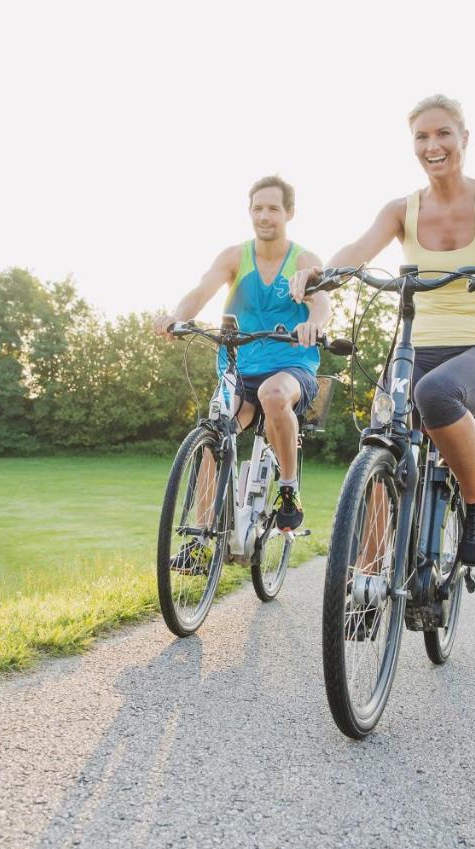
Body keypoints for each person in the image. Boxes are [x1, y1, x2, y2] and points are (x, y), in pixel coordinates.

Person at [291, 94, 475, 566]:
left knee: (434, 393)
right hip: (414, 349)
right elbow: (359, 248)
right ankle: (366, 581)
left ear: (464, 139)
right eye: (422, 136)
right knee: (379, 438)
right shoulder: (400, 209)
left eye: (443, 133)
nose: (434, 145)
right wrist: (319, 273)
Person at [155, 176, 330, 565]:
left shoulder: (303, 259)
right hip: (239, 367)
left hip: (290, 366)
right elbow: (202, 291)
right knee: (215, 430)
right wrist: (177, 317)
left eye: (273, 208)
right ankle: (200, 540)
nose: (264, 216)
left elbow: (321, 303)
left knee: (273, 395)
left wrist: (313, 324)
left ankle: (287, 488)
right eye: (257, 208)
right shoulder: (235, 256)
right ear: (249, 212)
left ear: (289, 213)